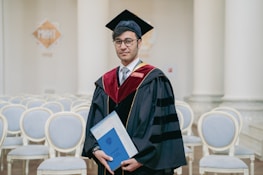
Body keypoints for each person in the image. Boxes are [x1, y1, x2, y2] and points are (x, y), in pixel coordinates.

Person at [82, 9, 186, 175]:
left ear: (139, 42)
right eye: (118, 41)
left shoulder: (154, 80)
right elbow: (95, 121)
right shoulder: (105, 82)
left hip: (144, 166)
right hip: (111, 163)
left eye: (128, 41)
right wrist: (95, 149)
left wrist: (141, 159)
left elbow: (161, 128)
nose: (123, 46)